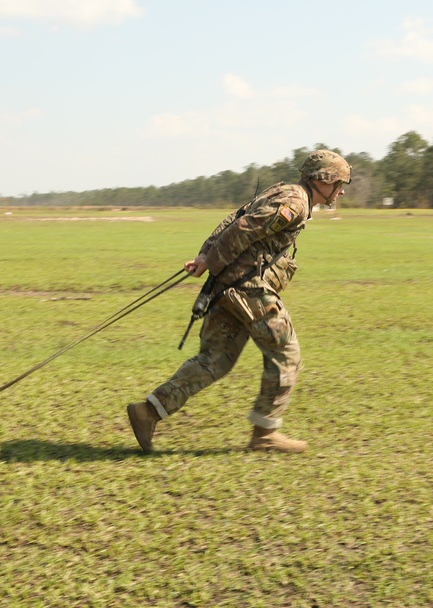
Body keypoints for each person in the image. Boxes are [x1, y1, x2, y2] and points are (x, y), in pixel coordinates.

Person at [127, 149, 351, 454]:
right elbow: (243, 228)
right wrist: (210, 262)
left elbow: (234, 218)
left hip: (227, 287)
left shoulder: (284, 191)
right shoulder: (296, 202)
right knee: (285, 352)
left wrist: (206, 256)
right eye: (339, 183)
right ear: (322, 180)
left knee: (215, 360)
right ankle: (265, 433)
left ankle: (147, 412)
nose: (340, 190)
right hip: (248, 288)